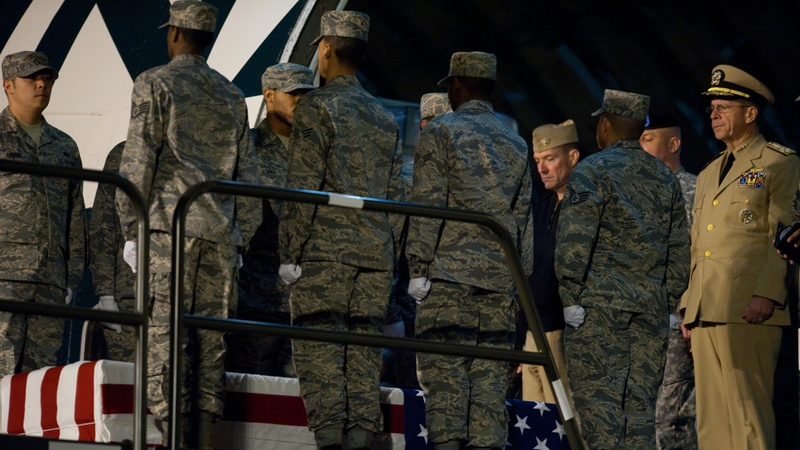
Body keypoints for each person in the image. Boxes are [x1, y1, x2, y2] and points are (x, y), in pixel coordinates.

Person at [113, 1, 261, 447]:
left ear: (174, 33)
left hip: (168, 232)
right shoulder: (232, 95)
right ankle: (203, 440)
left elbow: (138, 161)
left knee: (165, 338)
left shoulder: (155, 82)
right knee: (211, 345)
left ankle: (171, 438)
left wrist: (131, 229)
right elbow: (249, 179)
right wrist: (239, 238)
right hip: (219, 237)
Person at [278, 10, 404, 450]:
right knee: (363, 360)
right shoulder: (384, 116)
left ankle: (331, 442)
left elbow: (304, 186)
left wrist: (289, 254)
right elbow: (396, 200)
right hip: (375, 257)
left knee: (322, 355)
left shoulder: (316, 106)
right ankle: (360, 441)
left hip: (325, 256)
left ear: (326, 49)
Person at [406, 51, 533, 450]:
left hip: (449, 277)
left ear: (457, 85)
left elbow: (429, 204)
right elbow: (523, 220)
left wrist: (418, 267)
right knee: (489, 388)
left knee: (446, 381)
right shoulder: (516, 142)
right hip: (500, 282)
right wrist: (520, 280)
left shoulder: (440, 131)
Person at [555, 89, 689, 448]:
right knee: (640, 414)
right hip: (649, 313)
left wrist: (570, 297)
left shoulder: (592, 171)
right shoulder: (665, 177)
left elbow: (574, 242)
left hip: (598, 312)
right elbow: (679, 248)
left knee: (600, 414)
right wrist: (669, 304)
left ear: (607, 123)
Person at [680, 65, 800, 450]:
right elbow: (699, 243)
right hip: (706, 307)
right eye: (712, 108)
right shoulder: (709, 172)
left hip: (747, 305)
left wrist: (767, 294)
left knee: (748, 416)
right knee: (712, 421)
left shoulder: (778, 162)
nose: (713, 115)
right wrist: (689, 304)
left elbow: (784, 233)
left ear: (750, 113)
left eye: (723, 108)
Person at [224, 62, 314, 377]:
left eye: (306, 94)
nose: (301, 100)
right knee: (248, 389)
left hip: (303, 302)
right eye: (294, 93)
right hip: (254, 296)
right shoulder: (245, 148)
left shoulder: (319, 153)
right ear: (269, 95)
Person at [0, 50, 86, 376]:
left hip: (50, 283)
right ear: (8, 86)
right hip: (4, 280)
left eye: (47, 78)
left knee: (39, 383)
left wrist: (71, 277)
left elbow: (75, 215)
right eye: (32, 78)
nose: (42, 84)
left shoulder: (64, 146)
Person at [381, 91, 452, 390]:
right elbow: (389, 249)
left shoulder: (466, 182)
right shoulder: (407, 181)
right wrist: (392, 314)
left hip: (453, 312)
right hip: (415, 317)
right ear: (426, 126)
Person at [640, 111, 698, 450]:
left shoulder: (694, 190)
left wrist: (688, 309)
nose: (640, 147)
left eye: (648, 139)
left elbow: (700, 257)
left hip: (676, 323)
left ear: (673, 144)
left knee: (672, 418)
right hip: (640, 324)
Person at [520, 119, 579, 403]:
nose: (542, 168)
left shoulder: (585, 207)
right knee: (535, 418)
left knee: (566, 418)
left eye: (550, 159)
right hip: (534, 329)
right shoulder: (540, 208)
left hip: (564, 331)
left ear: (573, 157)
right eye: (538, 160)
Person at [89, 141, 134, 362]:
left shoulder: (194, 152)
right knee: (130, 379)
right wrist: (106, 293)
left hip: (184, 299)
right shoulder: (123, 154)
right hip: (131, 299)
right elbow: (104, 225)